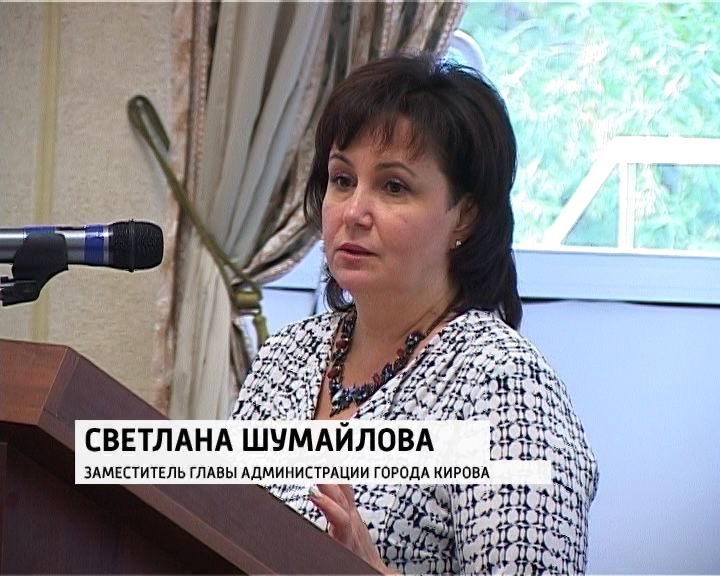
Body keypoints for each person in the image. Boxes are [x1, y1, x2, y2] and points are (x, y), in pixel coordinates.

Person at [231, 53, 598, 574]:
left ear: (464, 216)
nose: (354, 212)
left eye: (394, 186)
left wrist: (372, 571)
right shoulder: (285, 358)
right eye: (342, 179)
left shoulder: (504, 384)